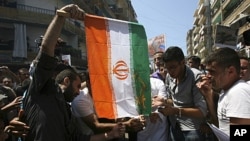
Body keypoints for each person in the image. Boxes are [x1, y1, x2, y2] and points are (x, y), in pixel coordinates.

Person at [10, 4, 125, 141]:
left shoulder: (68, 112)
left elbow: (79, 138)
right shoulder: (43, 89)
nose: (79, 91)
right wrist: (61, 16)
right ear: (66, 81)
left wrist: (111, 135)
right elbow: (46, 51)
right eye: (77, 86)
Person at [71, 71, 145, 141]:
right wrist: (127, 125)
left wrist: (135, 119)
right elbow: (97, 126)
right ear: (88, 83)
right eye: (97, 82)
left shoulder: (104, 94)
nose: (101, 86)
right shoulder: (81, 100)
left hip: (110, 136)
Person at [155, 46, 207, 141]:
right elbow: (172, 101)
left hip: (192, 130)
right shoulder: (169, 77)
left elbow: (201, 111)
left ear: (183, 62)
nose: (170, 72)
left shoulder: (196, 77)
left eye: (173, 67)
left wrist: (175, 111)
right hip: (175, 127)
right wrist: (164, 101)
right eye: (167, 68)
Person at [196, 47, 250, 136]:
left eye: (212, 71)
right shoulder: (226, 91)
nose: (208, 76)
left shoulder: (238, 92)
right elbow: (220, 126)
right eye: (207, 71)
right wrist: (208, 96)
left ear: (231, 71)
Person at [137, 77, 170, 141]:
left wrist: (157, 114)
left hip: (158, 126)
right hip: (142, 128)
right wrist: (137, 117)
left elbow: (162, 102)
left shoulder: (158, 83)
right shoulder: (132, 85)